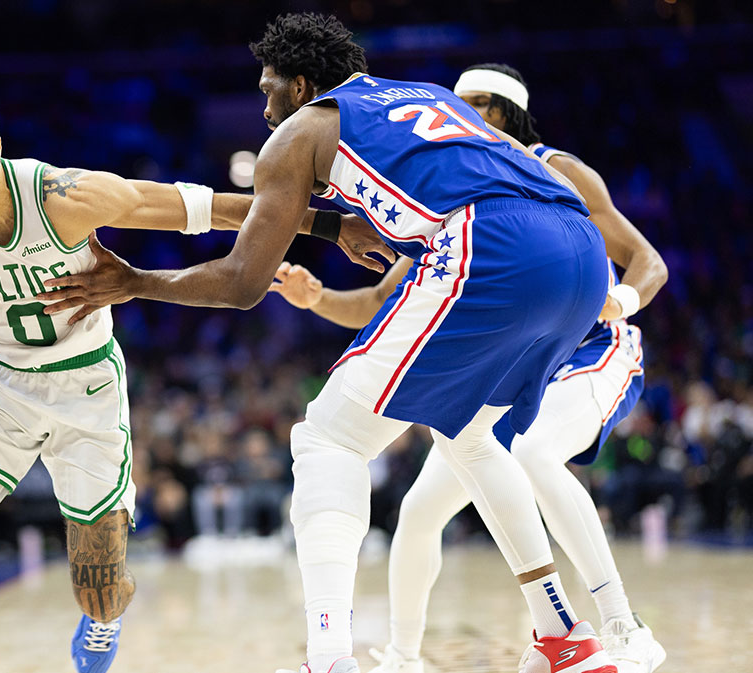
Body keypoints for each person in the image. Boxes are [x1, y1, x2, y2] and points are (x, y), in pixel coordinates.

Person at [36, 13, 625, 673]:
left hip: (491, 248)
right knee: (469, 437)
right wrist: (335, 225)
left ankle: (329, 655)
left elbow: (240, 282)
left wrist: (135, 280)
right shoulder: (425, 93)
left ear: (302, 85)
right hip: (578, 251)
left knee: (328, 437)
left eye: (268, 91)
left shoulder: (304, 130)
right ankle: (564, 634)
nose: (264, 109)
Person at [0, 86, 385, 673]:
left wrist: (330, 228)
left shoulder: (60, 196)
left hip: (86, 386)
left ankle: (103, 621)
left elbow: (195, 209)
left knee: (99, 591)